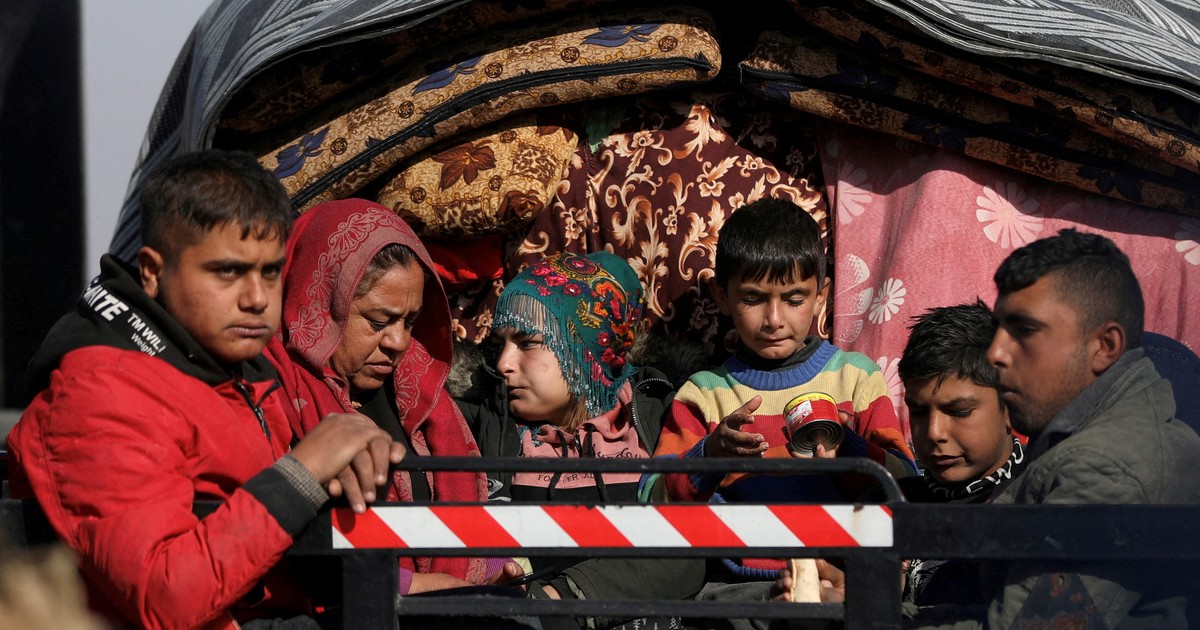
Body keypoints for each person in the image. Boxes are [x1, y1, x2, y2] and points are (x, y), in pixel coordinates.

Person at [4, 150, 404, 630]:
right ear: (153, 271)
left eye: (270, 272)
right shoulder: (102, 392)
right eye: (227, 272)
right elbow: (164, 595)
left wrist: (344, 481)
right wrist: (302, 474)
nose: (256, 298)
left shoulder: (237, 370)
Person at [650, 198, 915, 626]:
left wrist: (850, 451)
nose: (774, 319)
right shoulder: (705, 394)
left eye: (794, 299)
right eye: (753, 299)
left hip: (845, 577)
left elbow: (906, 484)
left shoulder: (855, 379)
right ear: (722, 296)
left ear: (821, 296)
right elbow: (652, 498)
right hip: (738, 587)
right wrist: (710, 457)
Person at [265, 197, 521, 595]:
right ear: (322, 303)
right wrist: (410, 586)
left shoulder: (419, 395)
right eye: (378, 321)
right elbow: (270, 539)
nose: (398, 342)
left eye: (411, 321)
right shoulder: (272, 395)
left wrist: (494, 572)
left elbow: (463, 513)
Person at [459, 250, 705, 629]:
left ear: (584, 348)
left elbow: (690, 554)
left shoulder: (663, 418)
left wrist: (561, 599)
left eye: (527, 342)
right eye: (501, 344)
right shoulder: (486, 425)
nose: (503, 363)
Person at [976, 228, 1200, 628]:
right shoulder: (1084, 432)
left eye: (1024, 330)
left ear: (1104, 346)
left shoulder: (1106, 466)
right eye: (998, 329)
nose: (996, 352)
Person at [774, 301, 1025, 613]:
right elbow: (856, 597)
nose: (934, 432)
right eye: (918, 412)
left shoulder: (1042, 499)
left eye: (959, 412)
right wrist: (846, 605)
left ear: (1010, 406)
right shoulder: (882, 506)